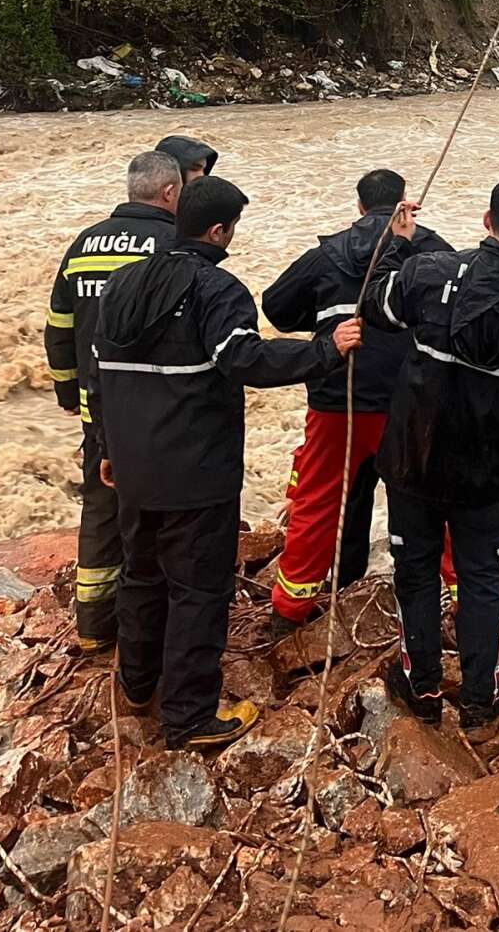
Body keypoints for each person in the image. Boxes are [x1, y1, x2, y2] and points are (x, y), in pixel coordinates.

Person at [93, 175, 360, 749]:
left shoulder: (122, 285)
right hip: (196, 471)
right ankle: (189, 716)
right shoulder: (217, 288)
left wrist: (105, 449)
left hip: (135, 468)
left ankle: (137, 685)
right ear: (218, 230)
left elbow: (99, 373)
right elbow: (244, 360)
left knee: (141, 575)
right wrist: (325, 350)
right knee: (198, 588)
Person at [364, 177, 499, 734]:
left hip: (413, 460)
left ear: (485, 220)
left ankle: (424, 689)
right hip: (484, 475)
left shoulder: (429, 273)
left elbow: (375, 304)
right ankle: (480, 699)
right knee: (482, 580)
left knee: (415, 571)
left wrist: (400, 242)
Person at [262, 169, 454, 636]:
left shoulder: (327, 255)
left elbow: (275, 307)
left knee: (318, 500)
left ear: (359, 207)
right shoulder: (434, 252)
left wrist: (324, 322)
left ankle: (291, 609)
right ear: (406, 203)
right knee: (437, 499)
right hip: (411, 401)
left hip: (338, 400)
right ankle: (459, 594)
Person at [45, 150, 182, 650]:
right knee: (159, 508)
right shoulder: (170, 243)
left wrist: (66, 388)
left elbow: (59, 324)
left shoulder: (85, 242)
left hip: (93, 404)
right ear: (170, 193)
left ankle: (92, 625)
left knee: (100, 504)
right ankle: (152, 622)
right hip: (151, 406)